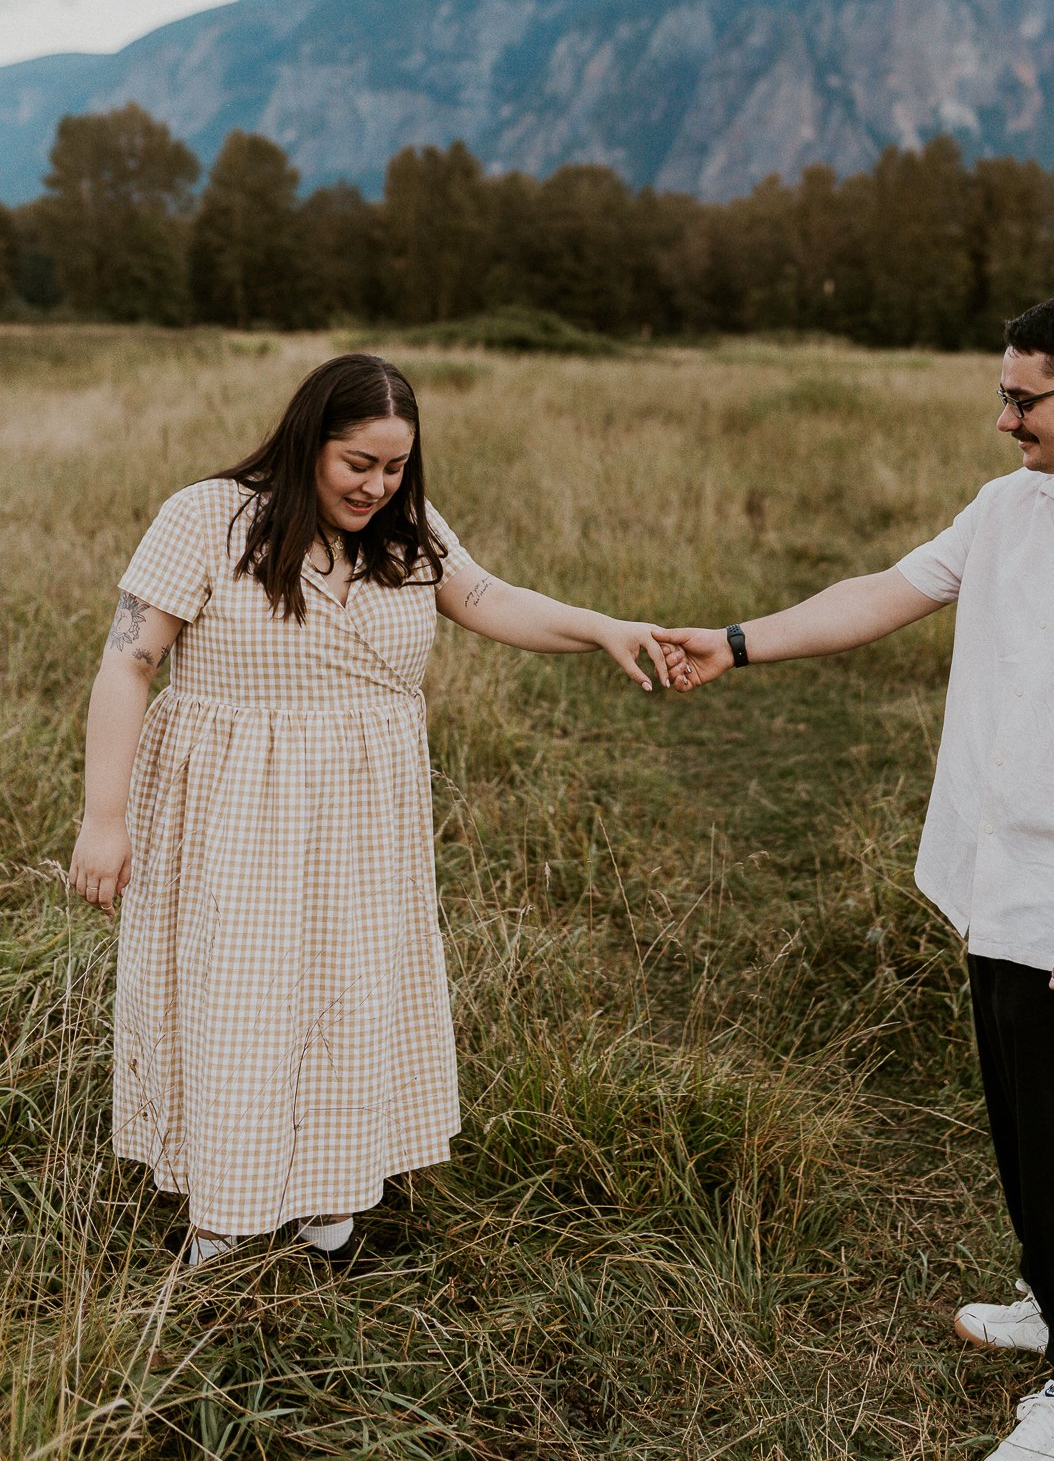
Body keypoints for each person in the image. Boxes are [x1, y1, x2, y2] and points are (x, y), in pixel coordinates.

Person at [659, 287, 1054, 1461]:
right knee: (1029, 1129)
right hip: (997, 881)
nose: (1003, 420)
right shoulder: (1010, 508)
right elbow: (886, 592)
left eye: (1019, 398)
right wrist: (733, 643)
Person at [68, 352, 670, 1268]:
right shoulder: (206, 517)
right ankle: (227, 1218)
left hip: (363, 816)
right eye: (358, 463)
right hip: (237, 811)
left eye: (395, 467)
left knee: (351, 996)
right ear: (311, 440)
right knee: (239, 1004)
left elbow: (489, 599)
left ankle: (329, 1204)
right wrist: (101, 819)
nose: (377, 485)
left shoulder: (407, 529)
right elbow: (128, 662)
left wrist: (600, 626)